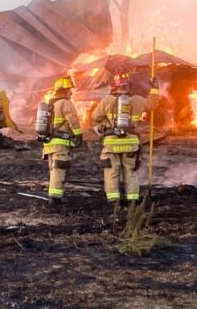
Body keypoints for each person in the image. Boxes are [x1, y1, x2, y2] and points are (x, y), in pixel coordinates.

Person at [91, 71, 160, 205]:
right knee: (130, 171)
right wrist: (155, 88)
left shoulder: (107, 101)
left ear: (115, 86)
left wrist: (104, 123)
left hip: (112, 143)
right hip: (131, 142)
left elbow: (94, 117)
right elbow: (153, 105)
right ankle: (133, 199)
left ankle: (113, 201)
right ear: (129, 85)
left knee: (112, 172)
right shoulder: (138, 100)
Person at [38, 76, 84, 207]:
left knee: (54, 170)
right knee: (59, 170)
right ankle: (55, 199)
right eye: (70, 90)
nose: (71, 92)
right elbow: (73, 120)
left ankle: (54, 196)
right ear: (64, 90)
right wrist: (78, 135)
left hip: (49, 143)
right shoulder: (65, 103)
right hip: (60, 144)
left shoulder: (50, 104)